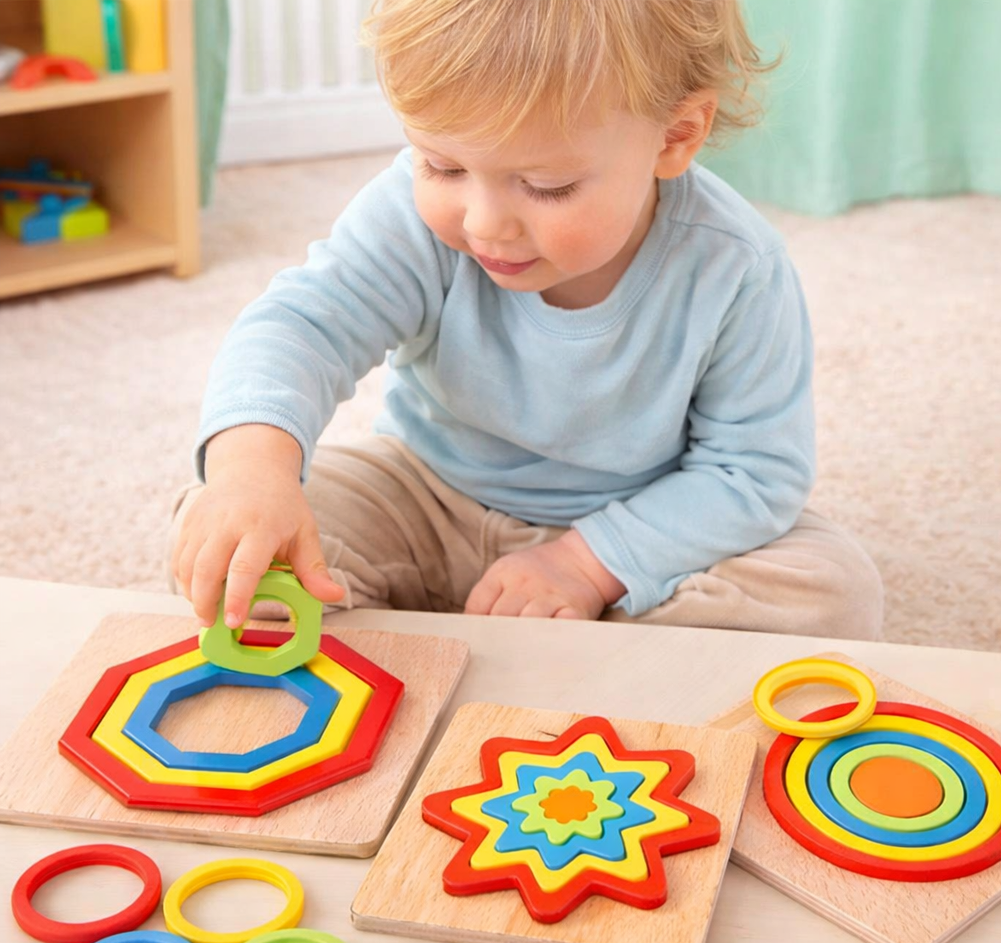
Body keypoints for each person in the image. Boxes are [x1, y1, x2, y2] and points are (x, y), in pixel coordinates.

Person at [170, 0, 883, 639]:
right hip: (428, 496)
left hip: (642, 525)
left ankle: (510, 634)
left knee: (832, 594)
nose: (483, 224)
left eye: (547, 186)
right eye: (442, 168)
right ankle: (533, 645)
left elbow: (753, 472)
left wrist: (587, 564)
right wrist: (251, 472)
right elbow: (305, 326)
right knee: (228, 541)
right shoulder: (406, 219)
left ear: (675, 136)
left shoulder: (735, 266)